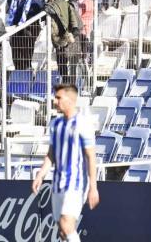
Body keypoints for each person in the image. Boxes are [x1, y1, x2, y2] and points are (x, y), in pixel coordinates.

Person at [32, 84, 99, 242]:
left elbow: (91, 156)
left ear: (70, 100)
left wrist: (93, 187)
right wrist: (40, 175)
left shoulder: (82, 124)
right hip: (58, 185)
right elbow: (51, 154)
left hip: (75, 184)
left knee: (66, 225)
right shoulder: (56, 124)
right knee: (63, 233)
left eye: (58, 97)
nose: (55, 101)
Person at [7, 0, 44, 70]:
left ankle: (27, 82)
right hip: (15, 35)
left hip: (27, 36)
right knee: (17, 63)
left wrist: (22, 29)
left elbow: (35, 20)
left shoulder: (34, 0)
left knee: (25, 64)